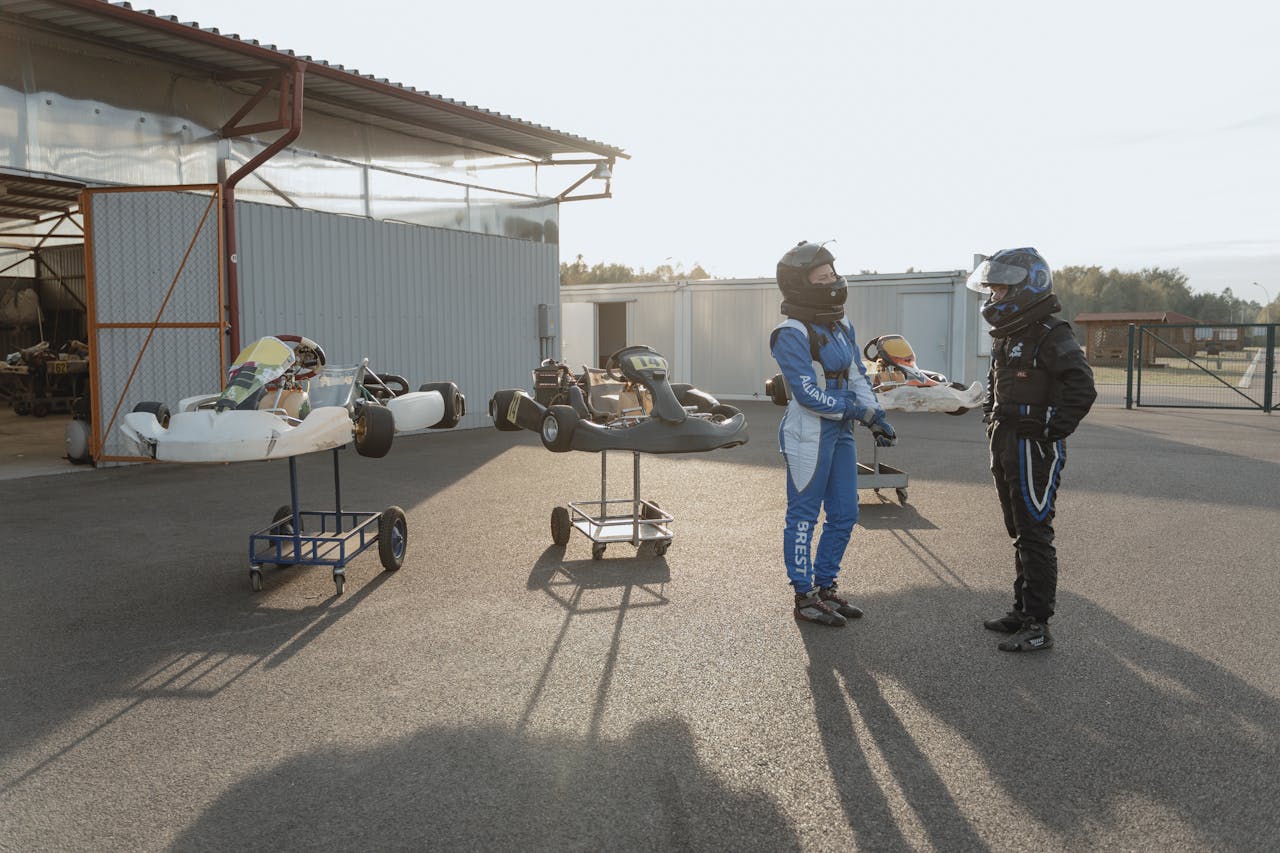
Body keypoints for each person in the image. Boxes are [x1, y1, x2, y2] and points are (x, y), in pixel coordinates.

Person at [967, 247, 1096, 652]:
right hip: (1005, 438)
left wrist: (1049, 429)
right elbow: (995, 385)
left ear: (1027, 286)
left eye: (1001, 289)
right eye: (992, 289)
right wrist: (991, 416)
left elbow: (1082, 386)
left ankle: (1038, 625)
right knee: (1018, 530)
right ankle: (1022, 612)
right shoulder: (1009, 334)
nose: (994, 296)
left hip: (1032, 446)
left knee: (1035, 532)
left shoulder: (1050, 333)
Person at [770, 241, 896, 627]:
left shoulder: (842, 325)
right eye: (822, 278)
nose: (832, 281)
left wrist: (875, 415)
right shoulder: (790, 332)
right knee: (804, 516)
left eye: (833, 274)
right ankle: (804, 596)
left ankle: (826, 587)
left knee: (845, 513)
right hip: (808, 431)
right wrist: (857, 411)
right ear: (800, 284)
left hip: (841, 428)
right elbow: (807, 394)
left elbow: (856, 374)